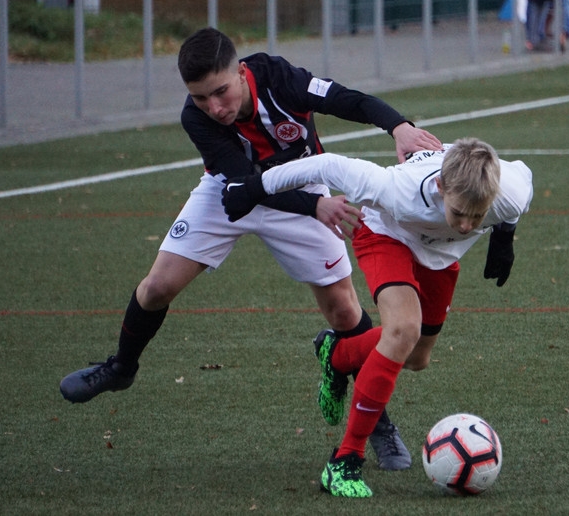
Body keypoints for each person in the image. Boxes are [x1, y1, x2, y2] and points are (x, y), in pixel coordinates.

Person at [58, 27, 443, 471]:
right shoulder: (196, 118)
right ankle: (121, 367)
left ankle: (378, 423)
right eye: (202, 98)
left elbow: (346, 99)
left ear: (241, 72)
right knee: (156, 287)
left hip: (300, 184)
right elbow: (244, 187)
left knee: (342, 311)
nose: (214, 108)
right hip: (232, 193)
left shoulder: (280, 78)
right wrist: (315, 205)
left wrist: (399, 126)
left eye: (220, 92)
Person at [220, 138, 533, 498]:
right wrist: (256, 187)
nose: (466, 226)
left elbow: (523, 180)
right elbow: (325, 165)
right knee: (402, 331)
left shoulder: (509, 190)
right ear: (440, 187)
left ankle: (336, 356)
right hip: (387, 234)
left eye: (477, 217)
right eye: (458, 212)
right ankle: (345, 460)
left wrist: (504, 236)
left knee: (417, 357)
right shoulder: (395, 189)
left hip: (439, 256)